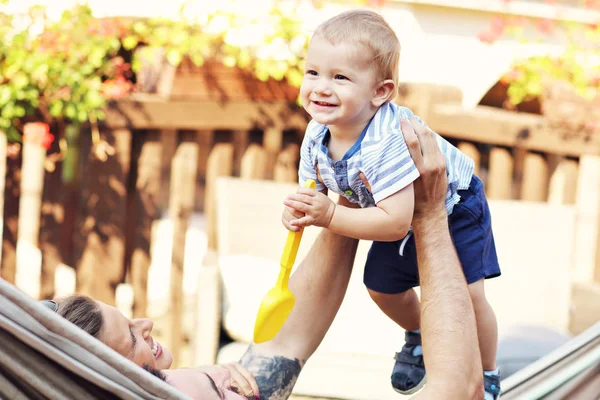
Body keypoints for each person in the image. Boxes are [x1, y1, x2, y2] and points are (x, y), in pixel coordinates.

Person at [45, 117, 487, 400]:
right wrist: (428, 215)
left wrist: (348, 188)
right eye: (131, 335)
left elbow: (281, 348)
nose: (147, 323)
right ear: (104, 374)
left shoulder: (166, 384)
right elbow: (458, 392)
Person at [281, 9, 501, 398]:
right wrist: (301, 209)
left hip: (454, 205)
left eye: (340, 77)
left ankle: (485, 373)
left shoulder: (384, 142)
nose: (320, 87)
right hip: (398, 208)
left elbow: (395, 223)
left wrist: (330, 214)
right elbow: (314, 189)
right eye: (312, 72)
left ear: (380, 92)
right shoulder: (318, 133)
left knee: (468, 296)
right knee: (381, 286)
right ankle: (419, 333)